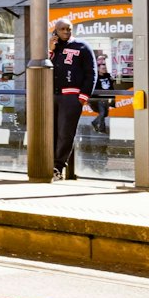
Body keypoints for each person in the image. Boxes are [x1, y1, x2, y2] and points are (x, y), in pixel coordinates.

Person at [49, 18, 96, 181]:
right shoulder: (52, 48)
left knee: (65, 133)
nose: (66, 32)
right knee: (50, 132)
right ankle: (48, 164)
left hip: (71, 97)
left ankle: (58, 167)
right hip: (51, 96)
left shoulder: (82, 46)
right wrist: (50, 50)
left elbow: (91, 73)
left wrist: (83, 97)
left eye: (68, 29)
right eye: (62, 29)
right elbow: (42, 69)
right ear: (55, 31)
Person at [90, 61, 115, 135]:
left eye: (105, 68)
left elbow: (111, 87)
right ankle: (101, 128)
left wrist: (112, 97)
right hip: (99, 98)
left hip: (107, 97)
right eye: (103, 68)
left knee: (104, 113)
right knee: (102, 113)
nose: (104, 70)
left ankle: (97, 124)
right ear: (98, 69)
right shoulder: (96, 77)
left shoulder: (108, 76)